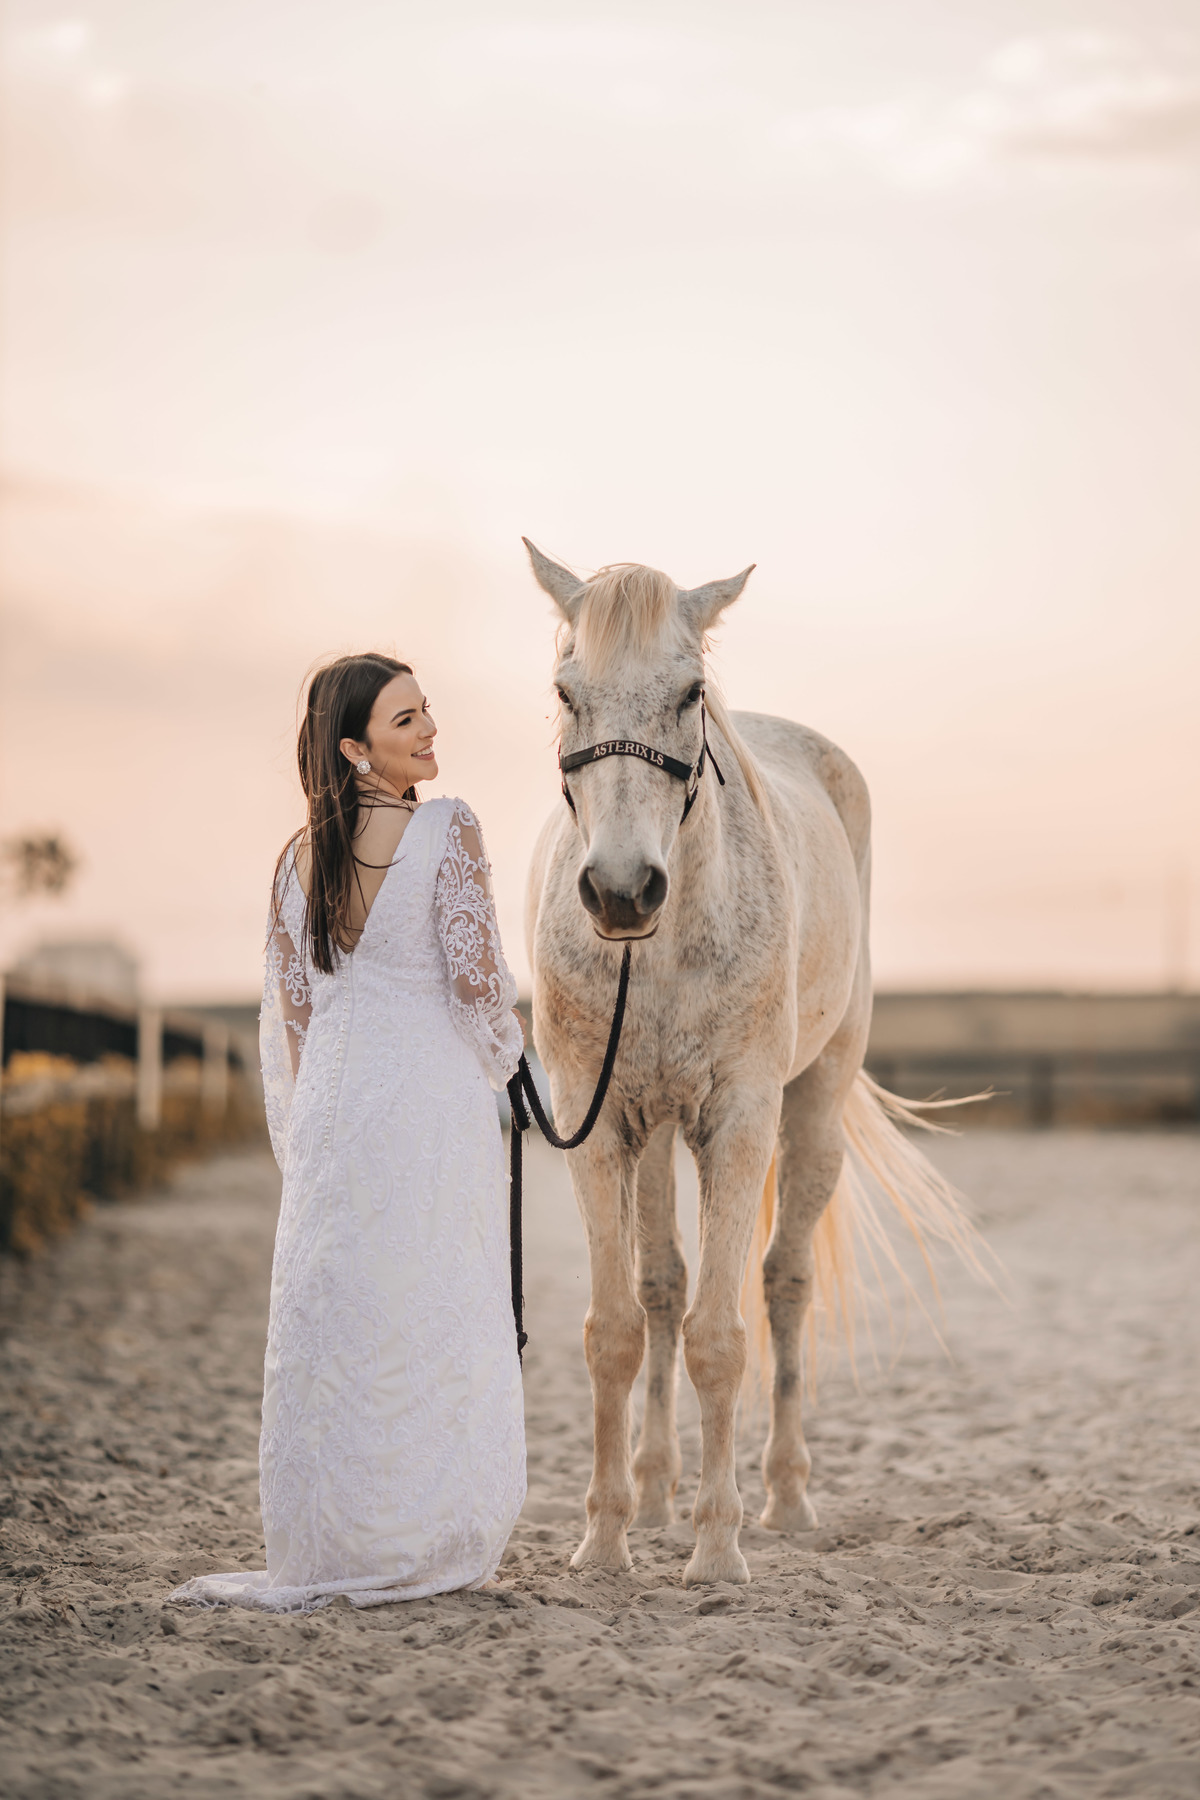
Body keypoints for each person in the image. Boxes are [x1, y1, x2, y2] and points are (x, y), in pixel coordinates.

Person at [172, 653, 526, 1611]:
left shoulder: (296, 857)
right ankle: (420, 1530)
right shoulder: (449, 829)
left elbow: (295, 1019)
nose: (429, 727)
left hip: (336, 1101)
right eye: (406, 718)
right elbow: (479, 986)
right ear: (354, 746)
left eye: (425, 709)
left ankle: (330, 1536)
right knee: (429, 1303)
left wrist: (326, 1096)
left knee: (342, 1316)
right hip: (425, 1101)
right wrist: (507, 1062)